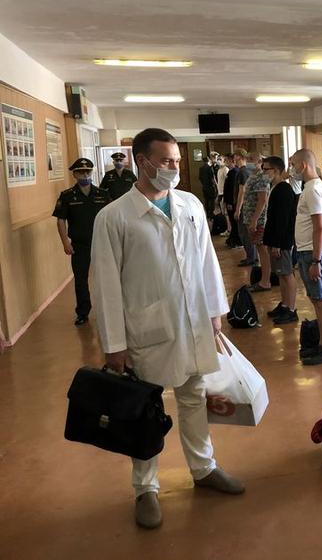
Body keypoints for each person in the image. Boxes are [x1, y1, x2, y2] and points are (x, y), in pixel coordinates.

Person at [91, 128, 244, 530]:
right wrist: (114, 343)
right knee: (144, 407)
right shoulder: (114, 217)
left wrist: (215, 311)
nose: (175, 168)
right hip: (145, 328)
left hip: (193, 321)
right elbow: (105, 284)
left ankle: (204, 468)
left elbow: (207, 259)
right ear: (142, 161)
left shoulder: (189, 204)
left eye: (176, 161)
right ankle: (145, 487)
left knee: (194, 396)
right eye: (167, 161)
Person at [291, 149, 322, 365]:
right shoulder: (309, 188)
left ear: (303, 165)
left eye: (293, 164)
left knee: (321, 299)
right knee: (316, 299)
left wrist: (317, 261)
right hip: (307, 251)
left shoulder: (314, 190)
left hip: (313, 252)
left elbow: (319, 227)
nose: (291, 169)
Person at [52, 158, 111, 326]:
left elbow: (112, 218)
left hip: (101, 243)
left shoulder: (102, 194)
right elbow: (61, 220)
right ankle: (83, 312)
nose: (85, 175)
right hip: (79, 245)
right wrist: (65, 242)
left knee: (106, 278)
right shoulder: (67, 196)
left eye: (88, 172)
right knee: (80, 280)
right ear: (74, 174)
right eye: (81, 172)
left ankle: (108, 310)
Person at [263, 155, 299, 325]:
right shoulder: (275, 187)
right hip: (274, 239)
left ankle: (291, 309)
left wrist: (277, 243)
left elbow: (282, 220)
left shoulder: (284, 190)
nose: (264, 173)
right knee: (280, 274)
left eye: (266, 170)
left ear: (276, 170)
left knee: (287, 274)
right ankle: (284, 304)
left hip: (282, 241)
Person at [241, 157, 272, 292]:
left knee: (262, 250)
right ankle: (263, 279)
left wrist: (254, 220)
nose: (249, 163)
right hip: (252, 219)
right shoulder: (254, 176)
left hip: (258, 221)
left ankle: (265, 281)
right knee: (260, 250)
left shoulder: (261, 178)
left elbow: (262, 200)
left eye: (252, 160)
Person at [234, 149, 256, 264]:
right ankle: (252, 256)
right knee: (247, 233)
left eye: (235, 156)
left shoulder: (242, 172)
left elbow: (242, 191)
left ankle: (251, 257)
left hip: (244, 207)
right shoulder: (248, 170)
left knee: (244, 233)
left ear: (240, 157)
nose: (234, 159)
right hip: (248, 205)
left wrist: (238, 209)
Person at [223, 154, 241, 247]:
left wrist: (230, 202)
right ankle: (234, 238)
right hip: (230, 200)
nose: (225, 162)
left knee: (234, 222)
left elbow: (232, 189)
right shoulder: (231, 172)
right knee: (232, 221)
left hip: (232, 202)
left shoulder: (234, 172)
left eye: (226, 160)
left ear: (232, 161)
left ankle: (236, 240)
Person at [199, 154, 217, 220]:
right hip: (210, 187)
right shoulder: (210, 168)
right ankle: (211, 214)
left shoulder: (201, 168)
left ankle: (207, 213)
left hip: (204, 187)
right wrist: (215, 186)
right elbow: (212, 178)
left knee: (206, 201)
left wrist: (204, 183)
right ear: (208, 160)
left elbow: (200, 178)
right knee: (212, 201)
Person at [215, 152, 229, 221]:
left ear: (224, 161)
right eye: (218, 159)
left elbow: (227, 181)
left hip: (224, 192)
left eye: (220, 159)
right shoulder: (219, 170)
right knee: (222, 210)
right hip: (220, 191)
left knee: (225, 211)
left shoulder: (225, 169)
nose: (219, 161)